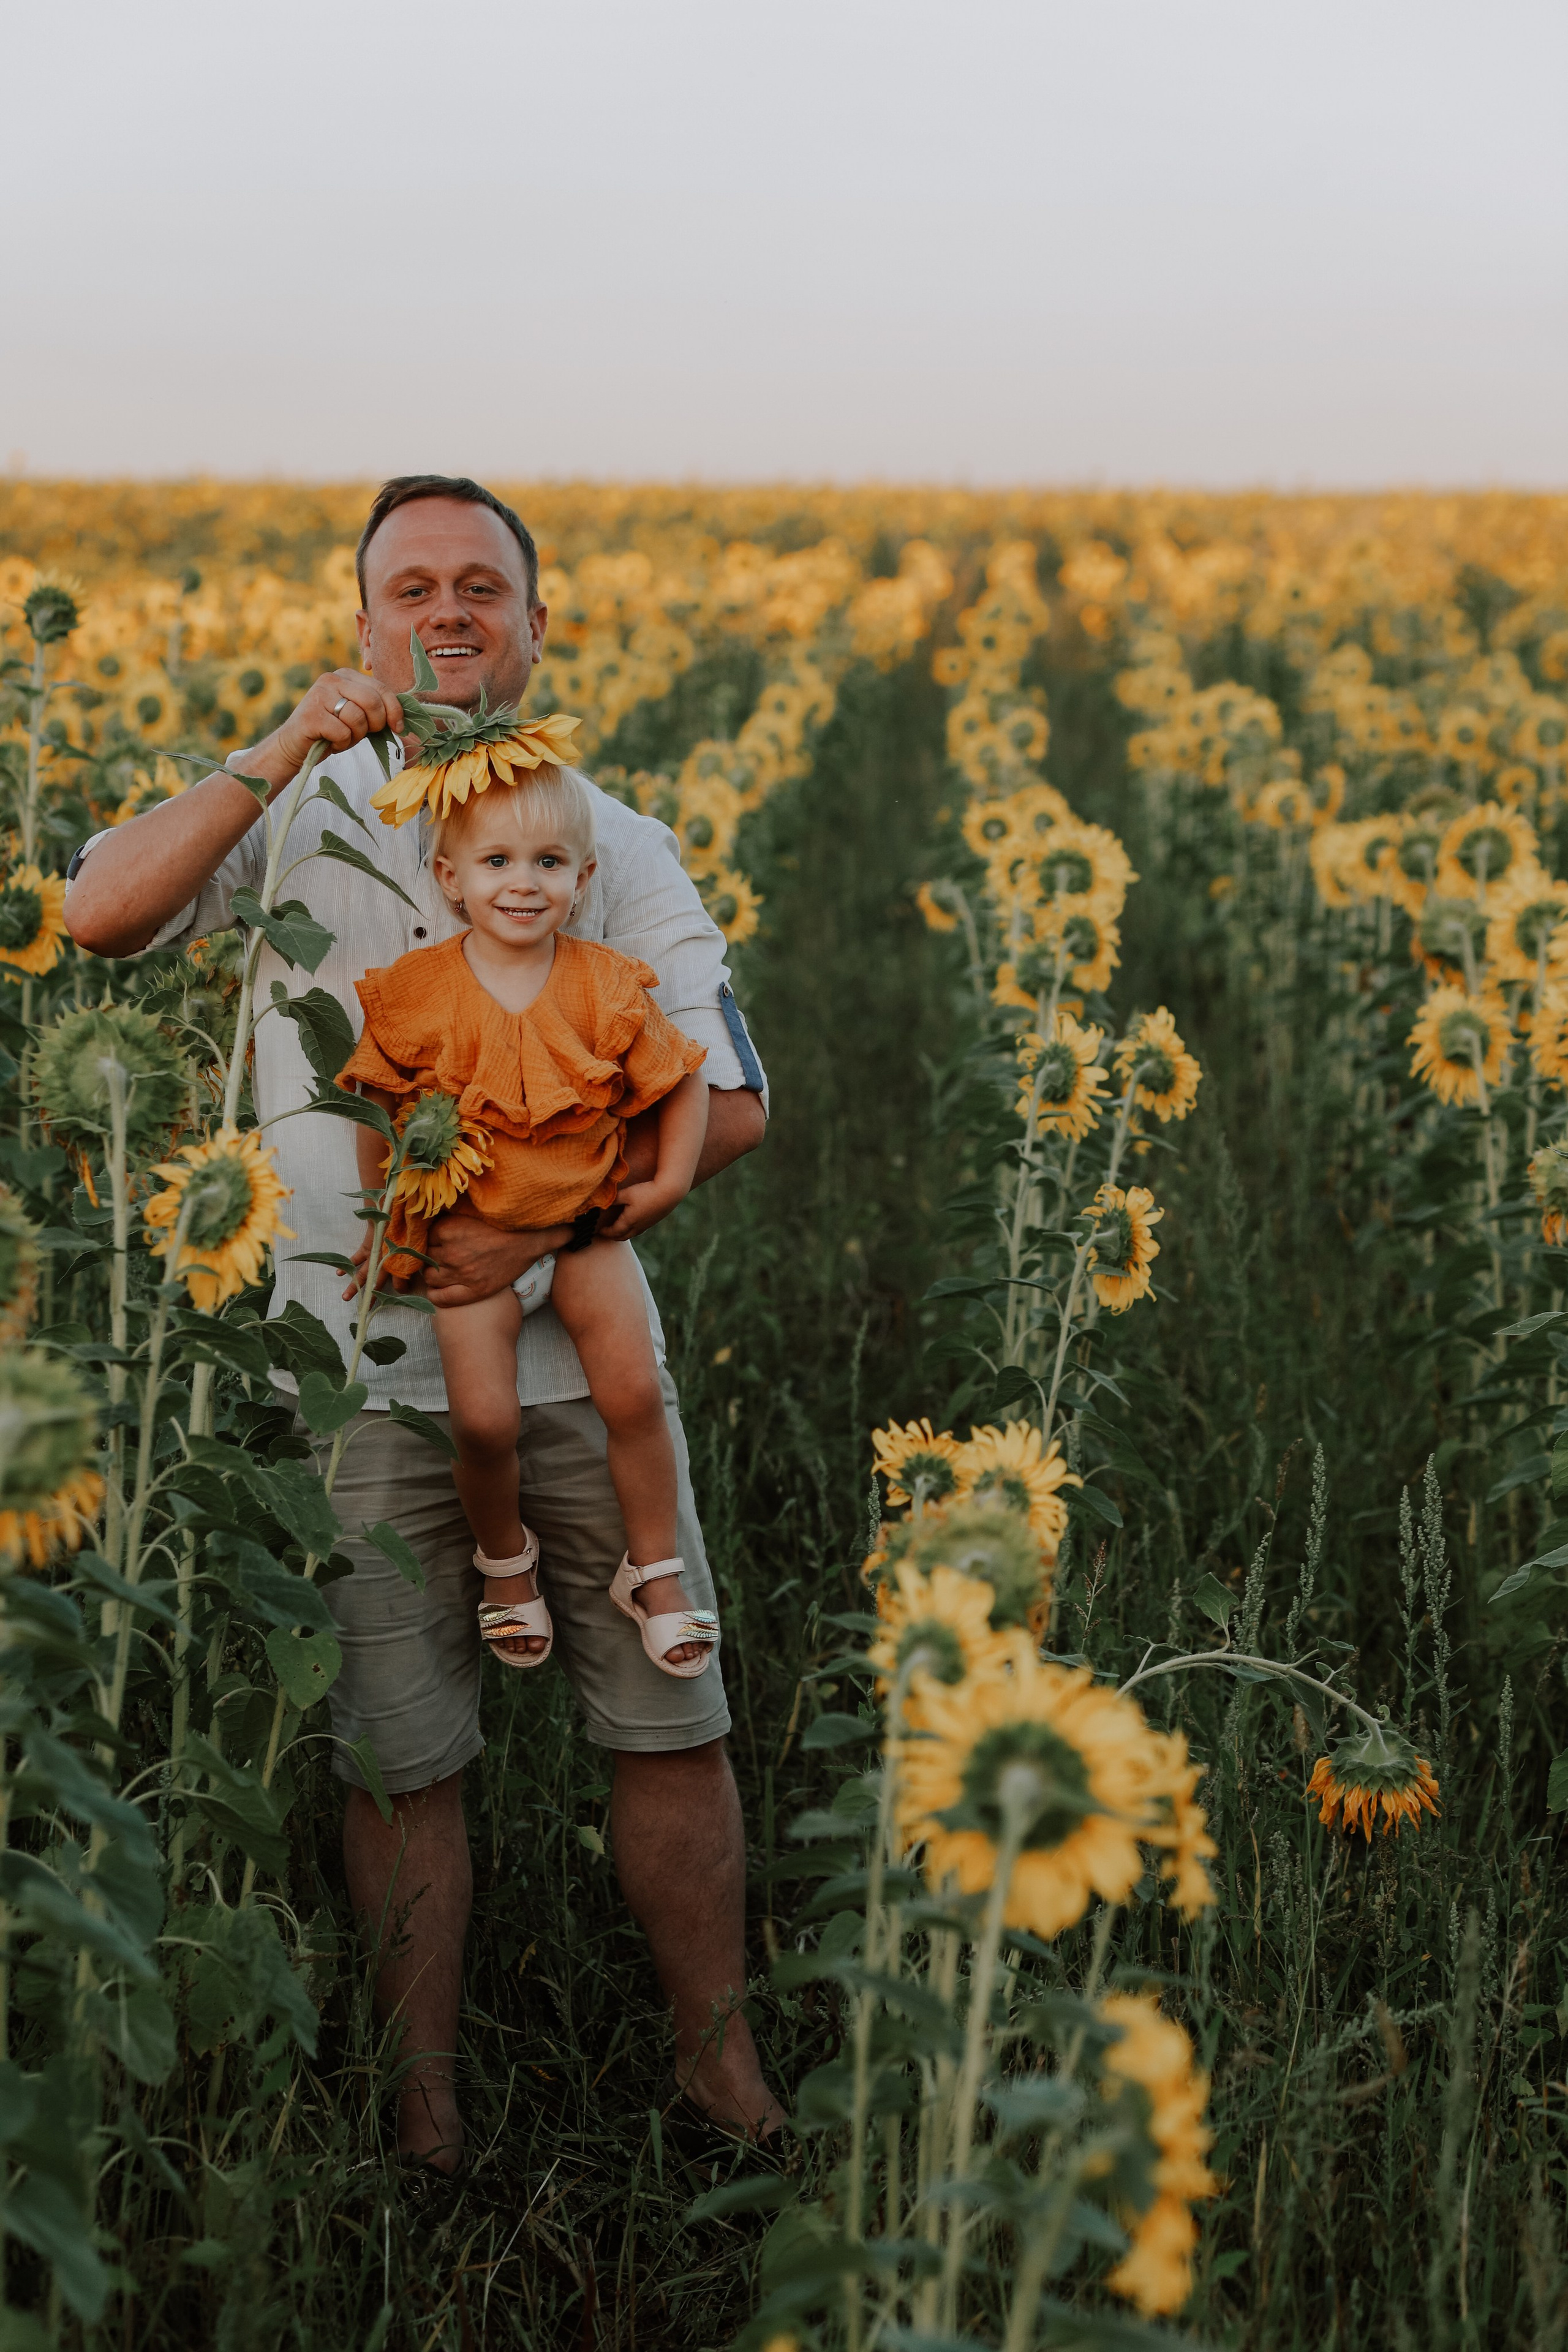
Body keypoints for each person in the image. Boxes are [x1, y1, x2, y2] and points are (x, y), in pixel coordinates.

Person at [64, 473, 786, 2163]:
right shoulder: (291, 819)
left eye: (482, 587)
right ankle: (429, 2108)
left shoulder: (610, 841)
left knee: (669, 1718)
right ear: (363, 629)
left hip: (579, 1365)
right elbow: (97, 912)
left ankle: (720, 2067)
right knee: (402, 1755)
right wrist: (279, 747)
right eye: (411, 590)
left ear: (540, 632)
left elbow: (734, 1100)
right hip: (345, 1370)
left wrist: (508, 1233)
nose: (447, 612)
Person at [342, 755, 717, 1678]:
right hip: (470, 1248)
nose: (523, 882)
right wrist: (381, 1218)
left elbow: (683, 1079)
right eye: (497, 862)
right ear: (450, 879)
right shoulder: (420, 990)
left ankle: (656, 1571)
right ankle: (507, 1565)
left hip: (586, 1238)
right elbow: (377, 1107)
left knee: (632, 1398)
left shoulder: (602, 982)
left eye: (550, 863)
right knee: (484, 1422)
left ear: (583, 880)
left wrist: (666, 1183)